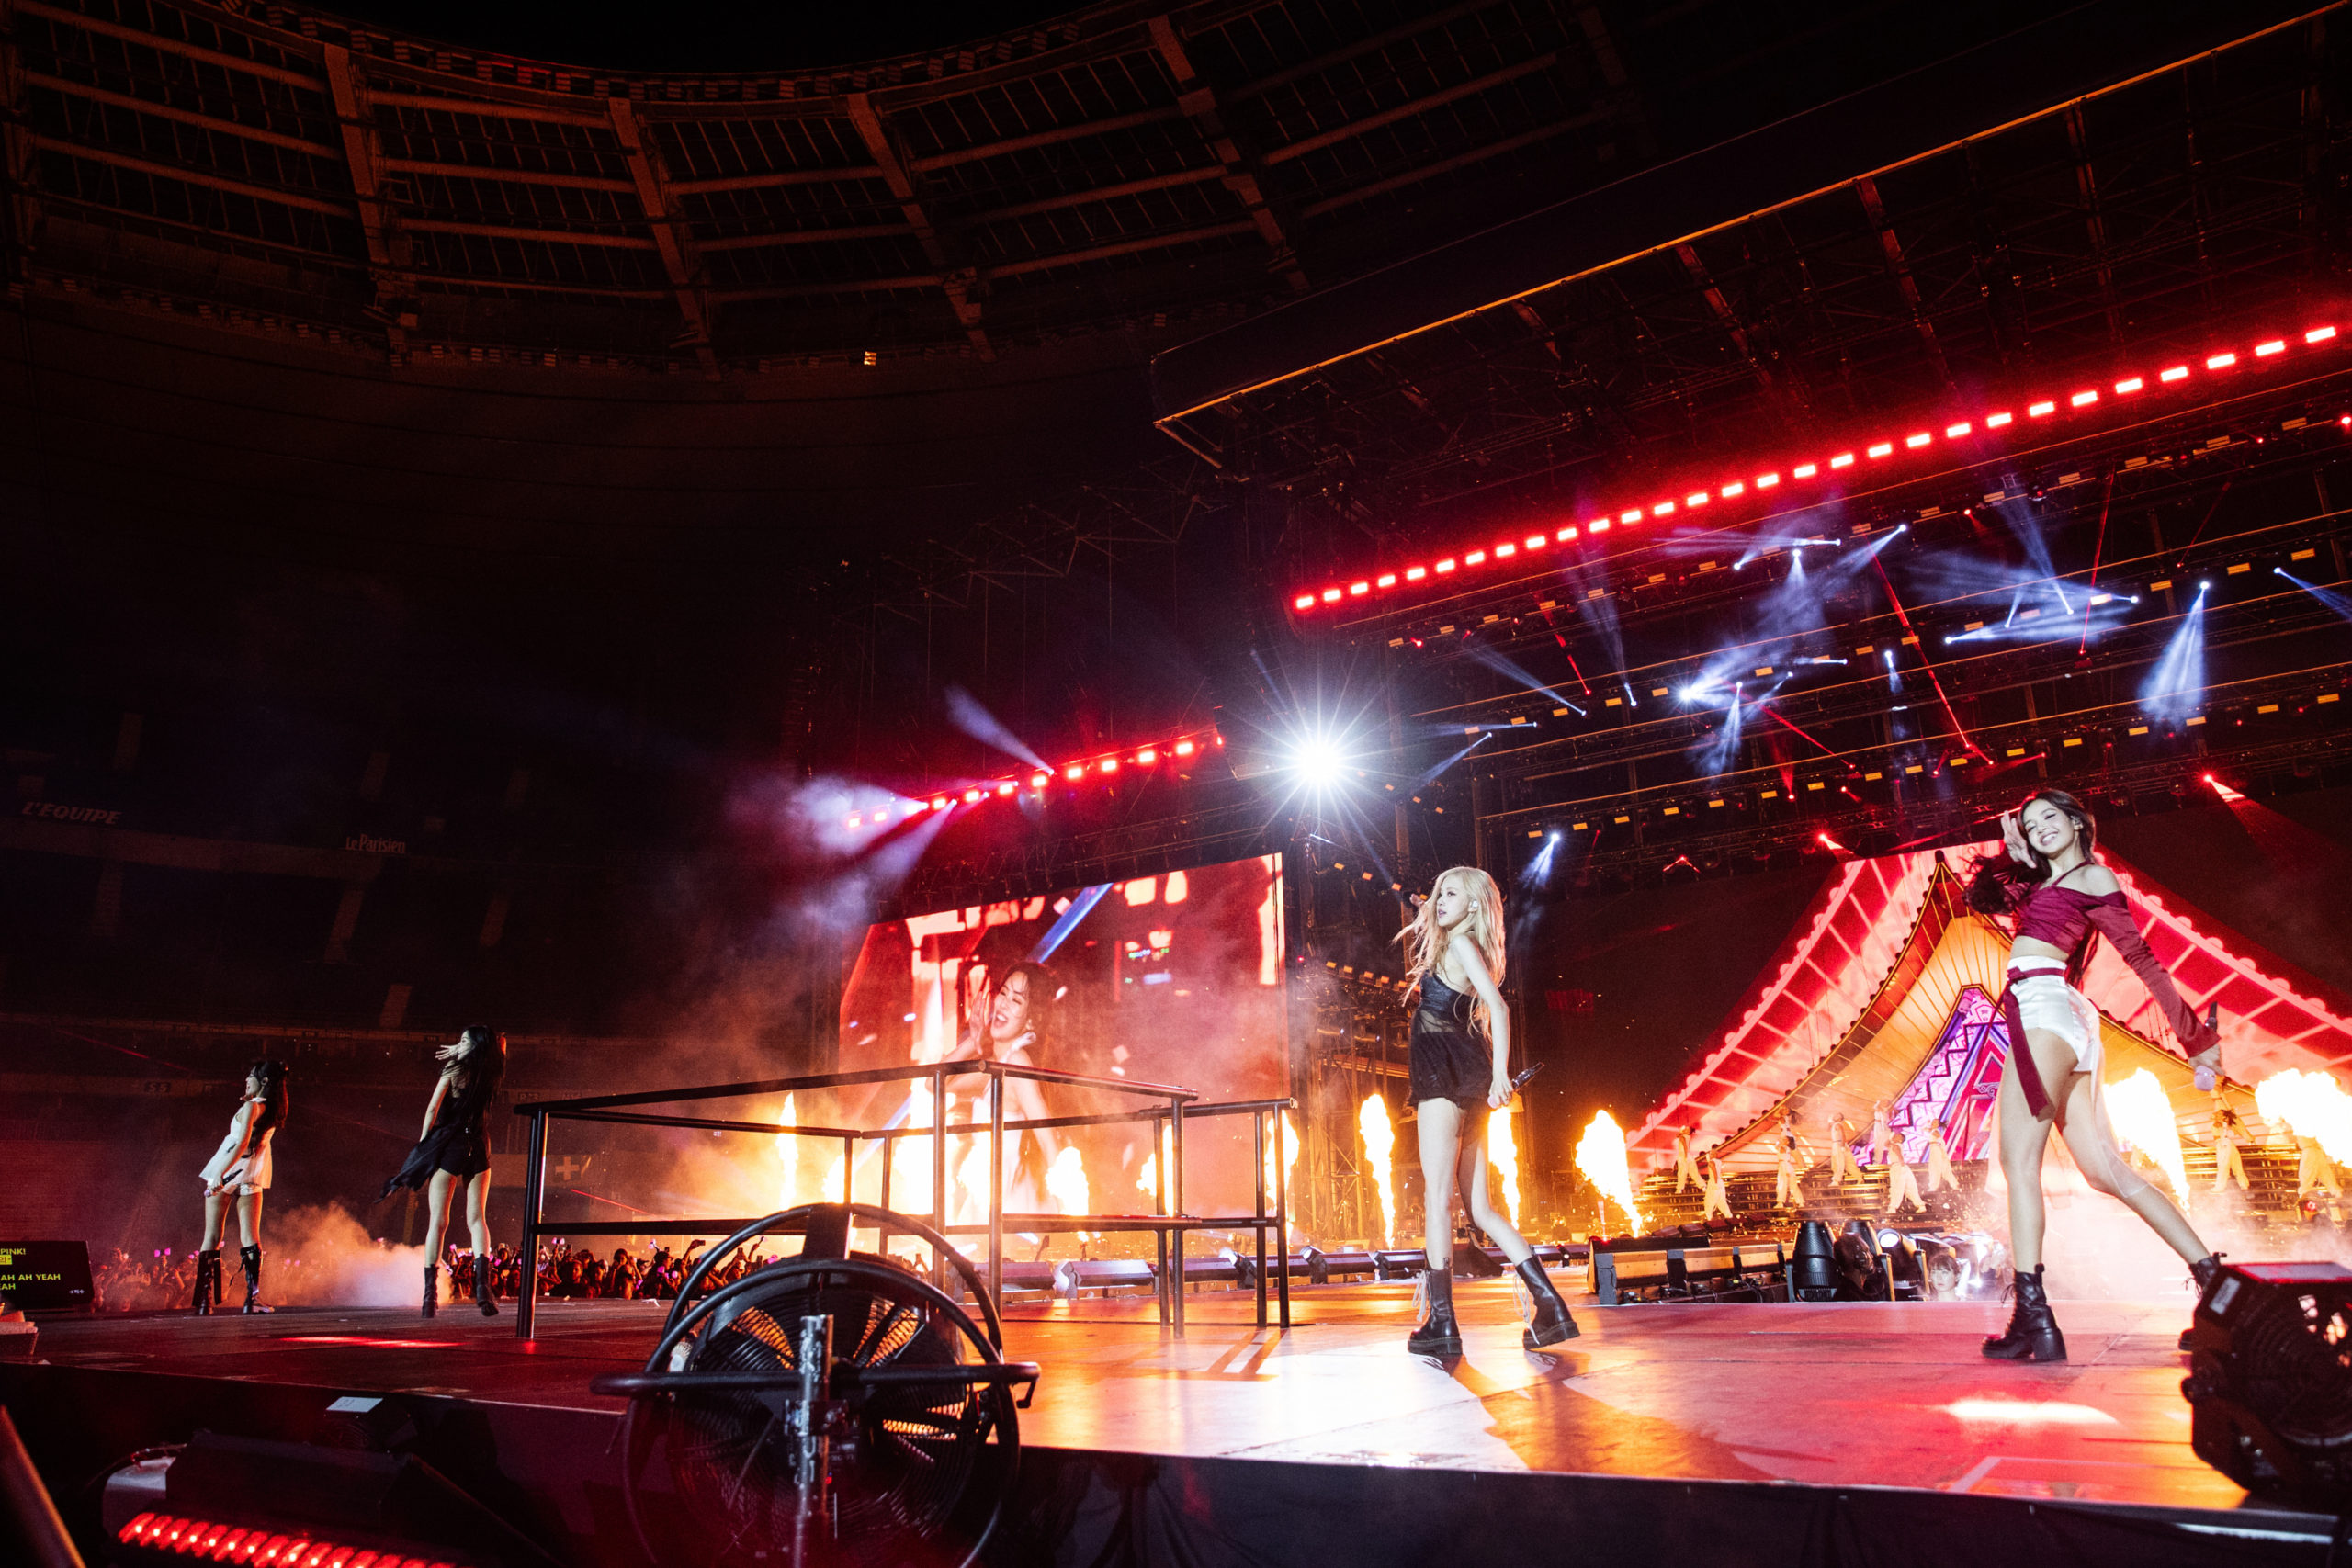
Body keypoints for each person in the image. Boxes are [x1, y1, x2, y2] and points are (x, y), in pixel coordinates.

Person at [1969, 789, 2223, 1363]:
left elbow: (2143, 960)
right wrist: (2011, 854)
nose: (2040, 830)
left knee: (2019, 1165)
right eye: (2031, 826)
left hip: (2044, 1014)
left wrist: (2195, 1039)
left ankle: (2034, 1318)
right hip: (2060, 1015)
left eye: (2050, 818)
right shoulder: (2041, 885)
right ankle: (2218, 1287)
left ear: (2078, 821)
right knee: (2106, 1171)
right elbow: (1977, 895)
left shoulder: (2092, 878)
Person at [1395, 866, 1577, 1355]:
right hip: (1465, 1081)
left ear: (1475, 905)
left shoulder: (1460, 947)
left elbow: (1500, 1008)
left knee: (1437, 1199)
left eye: (1451, 893)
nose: (1439, 900)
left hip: (1443, 1080)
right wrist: (1429, 904)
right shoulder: (1458, 944)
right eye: (1437, 893)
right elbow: (1479, 1013)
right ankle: (1551, 1307)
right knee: (1480, 1209)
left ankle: (1442, 1323)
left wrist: (1501, 1075)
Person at [382, 1025, 506, 1318]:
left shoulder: (454, 1069)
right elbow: (501, 1044)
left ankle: (430, 1296)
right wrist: (471, 1049)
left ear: (474, 1046)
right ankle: (483, 1289)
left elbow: (432, 1109)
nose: (456, 1044)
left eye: (462, 1040)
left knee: (439, 1220)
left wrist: (424, 1145)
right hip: (479, 1145)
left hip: (451, 1143)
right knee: (477, 1220)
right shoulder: (491, 1071)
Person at [941, 961, 1067, 1207]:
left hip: (1009, 1199)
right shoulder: (1000, 1064)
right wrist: (973, 1042)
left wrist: (1069, 1215)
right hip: (989, 1194)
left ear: (1031, 1021)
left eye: (1017, 1001)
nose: (1003, 1004)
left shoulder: (1017, 1063)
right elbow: (936, 1083)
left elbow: (1048, 1140)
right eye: (1003, 993)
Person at [194, 1060, 289, 1314]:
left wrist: (218, 1174)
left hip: (227, 1168)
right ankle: (252, 1299)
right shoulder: (271, 1108)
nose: (246, 1079)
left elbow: (240, 1143)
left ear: (264, 1082)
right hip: (252, 1172)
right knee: (251, 1237)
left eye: (251, 1076)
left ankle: (205, 1302)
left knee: (212, 1236)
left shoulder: (251, 1106)